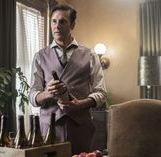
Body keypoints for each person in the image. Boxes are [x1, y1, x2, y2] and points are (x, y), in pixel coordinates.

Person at [29, 3, 107, 155]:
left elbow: (101, 93)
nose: (57, 26)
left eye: (63, 21)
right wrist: (47, 93)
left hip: (80, 128)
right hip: (48, 130)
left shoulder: (90, 55)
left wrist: (81, 104)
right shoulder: (39, 56)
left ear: (72, 24)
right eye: (54, 21)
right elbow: (32, 96)